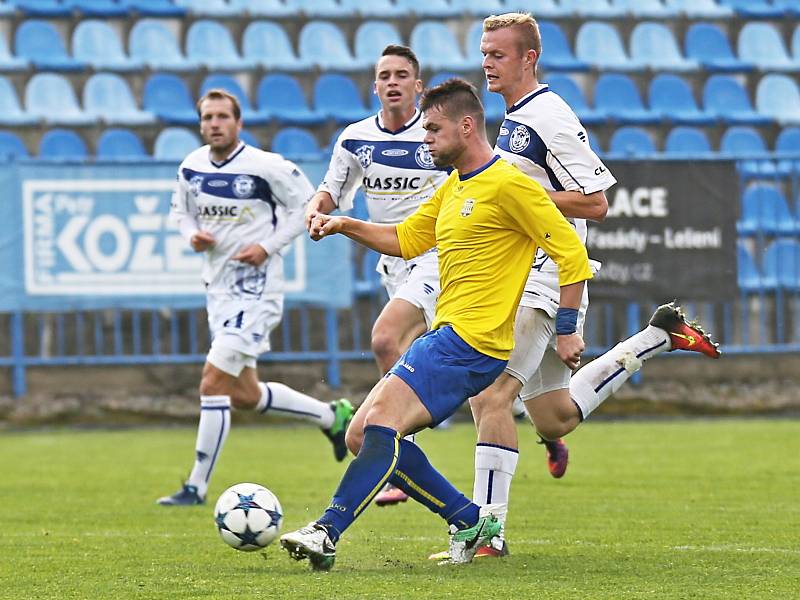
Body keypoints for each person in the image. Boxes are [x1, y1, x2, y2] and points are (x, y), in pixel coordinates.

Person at [429, 12, 721, 559]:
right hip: (521, 275)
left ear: (528, 58)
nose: (487, 63)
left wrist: (513, 194)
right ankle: (655, 338)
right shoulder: (514, 117)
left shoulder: (549, 116)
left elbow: (595, 201)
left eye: (498, 54)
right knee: (554, 416)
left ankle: (485, 537)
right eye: (484, 53)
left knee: (492, 395)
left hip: (543, 277)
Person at [279, 78, 593, 571]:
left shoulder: (512, 184)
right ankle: (469, 518)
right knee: (361, 435)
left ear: (466, 126)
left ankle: (326, 530)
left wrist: (569, 327)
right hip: (450, 339)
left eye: (433, 129)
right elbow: (405, 239)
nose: (425, 138)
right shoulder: (454, 186)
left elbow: (572, 256)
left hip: (469, 341)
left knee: (379, 424)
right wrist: (344, 224)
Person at [157, 89, 354, 506]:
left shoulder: (266, 167)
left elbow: (307, 207)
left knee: (212, 381)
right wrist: (191, 234)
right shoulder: (191, 167)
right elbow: (180, 210)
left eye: (222, 117)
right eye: (207, 117)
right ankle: (330, 416)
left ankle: (195, 487)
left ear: (238, 122)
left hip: (258, 289)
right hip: (219, 289)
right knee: (242, 394)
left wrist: (267, 246)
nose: (214, 123)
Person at [305, 45, 450, 507]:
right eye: (385, 75)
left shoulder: (435, 135)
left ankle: (388, 450)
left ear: (417, 86)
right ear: (375, 86)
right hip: (393, 266)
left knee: (386, 340)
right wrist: (314, 211)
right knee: (439, 368)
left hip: (435, 256)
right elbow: (330, 191)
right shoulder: (355, 140)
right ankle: (545, 427)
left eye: (402, 74)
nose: (393, 82)